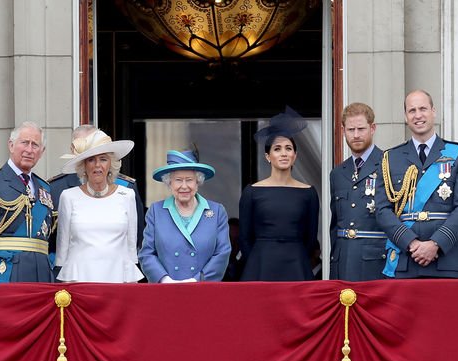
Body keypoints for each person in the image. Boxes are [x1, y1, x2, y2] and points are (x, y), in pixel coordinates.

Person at [375, 90, 458, 278]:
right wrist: (411, 244)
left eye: (423, 108)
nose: (418, 115)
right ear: (406, 117)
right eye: (412, 110)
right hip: (405, 259)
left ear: (433, 111)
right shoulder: (390, 158)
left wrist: (435, 244)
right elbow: (382, 211)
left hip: (446, 260)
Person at [0, 121, 55, 283]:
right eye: (24, 143)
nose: (29, 150)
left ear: (42, 152)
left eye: (35, 145)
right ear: (11, 145)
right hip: (4, 275)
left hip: (42, 277)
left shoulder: (45, 188)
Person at [239, 106, 319, 281]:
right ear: (268, 156)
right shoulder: (252, 192)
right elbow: (244, 239)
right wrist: (258, 258)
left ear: (295, 155)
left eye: (288, 148)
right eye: (277, 149)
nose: (283, 153)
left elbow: (310, 239)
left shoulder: (309, 193)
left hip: (297, 266)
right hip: (260, 266)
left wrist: (296, 253)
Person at [55, 129, 144, 282]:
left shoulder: (127, 195)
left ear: (111, 163)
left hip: (118, 279)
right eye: (91, 160)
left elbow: (131, 251)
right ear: (83, 166)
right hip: (79, 280)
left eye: (103, 159)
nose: (97, 165)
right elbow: (62, 252)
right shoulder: (68, 196)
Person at [139, 150, 231, 282]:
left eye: (189, 180)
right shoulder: (156, 211)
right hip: (166, 290)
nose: (184, 186)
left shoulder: (216, 212)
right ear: (169, 183)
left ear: (197, 183)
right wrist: (164, 280)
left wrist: (197, 280)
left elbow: (222, 253)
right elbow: (146, 253)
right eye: (178, 180)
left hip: (203, 290)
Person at [329, 102, 387, 281]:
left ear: (372, 128)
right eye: (350, 129)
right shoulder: (338, 173)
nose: (356, 135)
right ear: (343, 130)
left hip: (376, 263)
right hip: (342, 262)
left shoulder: (389, 165)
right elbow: (335, 225)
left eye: (361, 129)